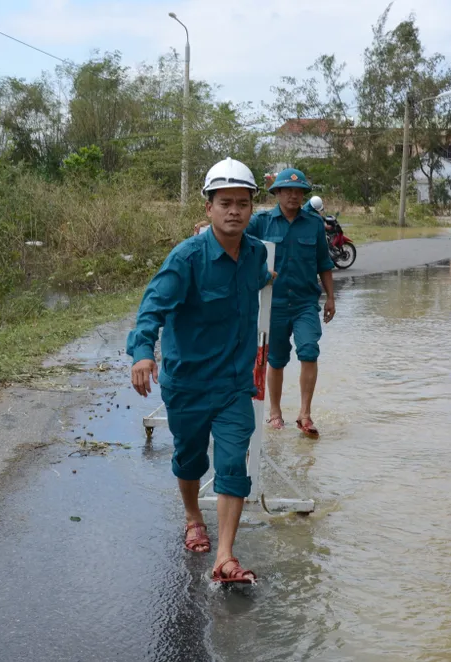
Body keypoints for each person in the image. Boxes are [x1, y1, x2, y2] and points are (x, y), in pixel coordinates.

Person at [127, 158, 274, 584]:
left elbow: (261, 277)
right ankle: (194, 517)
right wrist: (142, 354)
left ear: (251, 209)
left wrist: (276, 277)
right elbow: (151, 308)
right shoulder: (186, 258)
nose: (234, 211)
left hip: (233, 384)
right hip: (188, 383)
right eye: (225, 202)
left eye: (243, 203)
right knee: (190, 459)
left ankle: (225, 555)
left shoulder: (255, 254)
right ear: (208, 208)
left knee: (233, 463)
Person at [246, 168, 335, 438]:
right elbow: (232, 232)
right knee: (276, 359)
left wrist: (330, 297)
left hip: (305, 302)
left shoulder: (314, 224)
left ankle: (305, 414)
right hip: (273, 303)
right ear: (277, 193)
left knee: (309, 350)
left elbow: (324, 262)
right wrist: (206, 229)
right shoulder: (261, 222)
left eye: (299, 192)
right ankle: (275, 413)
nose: (294, 196)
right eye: (288, 191)